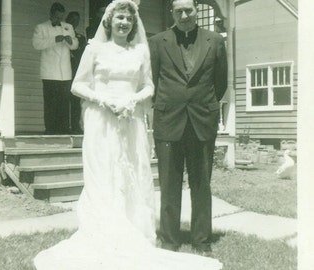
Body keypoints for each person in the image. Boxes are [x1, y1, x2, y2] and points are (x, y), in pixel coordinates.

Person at [34, 1, 222, 269]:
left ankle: (133, 232)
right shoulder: (94, 48)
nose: (124, 23)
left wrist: (133, 101)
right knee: (104, 175)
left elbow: (148, 87)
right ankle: (104, 234)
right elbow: (77, 85)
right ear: (109, 21)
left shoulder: (140, 52)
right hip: (102, 120)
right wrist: (104, 101)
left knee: (131, 174)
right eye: (119, 18)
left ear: (134, 24)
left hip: (131, 120)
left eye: (129, 19)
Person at [149, 0, 228, 253]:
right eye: (178, 11)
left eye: (188, 10)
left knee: (201, 184)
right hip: (168, 121)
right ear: (172, 13)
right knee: (169, 184)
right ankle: (169, 241)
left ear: (196, 11)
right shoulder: (158, 41)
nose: (184, 15)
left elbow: (221, 83)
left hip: (202, 121)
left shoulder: (214, 41)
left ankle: (202, 241)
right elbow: (153, 80)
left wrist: (202, 104)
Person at [32, 2, 78, 135]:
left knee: (64, 101)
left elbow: (75, 44)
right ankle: (51, 129)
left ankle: (63, 128)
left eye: (61, 17)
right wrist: (54, 40)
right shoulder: (41, 27)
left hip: (65, 71)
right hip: (49, 71)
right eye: (57, 17)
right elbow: (36, 44)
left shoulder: (68, 27)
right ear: (51, 14)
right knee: (51, 102)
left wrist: (70, 42)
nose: (59, 20)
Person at [65, 11, 87, 134]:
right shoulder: (62, 34)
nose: (74, 23)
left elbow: (82, 54)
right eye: (72, 20)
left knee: (75, 99)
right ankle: (63, 126)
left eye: (76, 21)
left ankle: (75, 126)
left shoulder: (80, 38)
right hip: (61, 71)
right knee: (63, 99)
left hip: (75, 71)